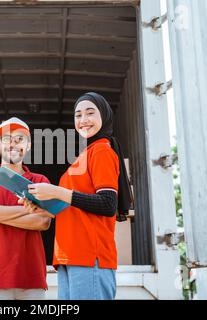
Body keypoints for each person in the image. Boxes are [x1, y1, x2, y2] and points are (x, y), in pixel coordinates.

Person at [21, 92, 133, 300]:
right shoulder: (84, 155)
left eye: (90, 113)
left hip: (90, 256)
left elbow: (108, 203)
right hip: (69, 256)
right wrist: (44, 207)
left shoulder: (102, 151)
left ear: (105, 116)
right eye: (78, 115)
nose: (83, 120)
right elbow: (75, 205)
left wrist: (55, 191)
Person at [0, 117, 52, 300]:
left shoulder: (39, 181)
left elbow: (43, 221)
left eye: (20, 139)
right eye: (7, 139)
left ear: (28, 146)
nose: (13, 144)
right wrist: (30, 209)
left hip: (31, 277)